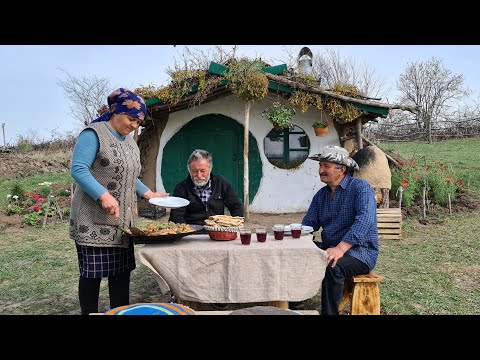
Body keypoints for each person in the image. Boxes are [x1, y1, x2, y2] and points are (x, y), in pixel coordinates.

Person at [69, 88, 168, 315]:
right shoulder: (93, 134)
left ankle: (120, 312)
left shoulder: (130, 142)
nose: (135, 125)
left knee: (121, 275)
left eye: (138, 122)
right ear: (116, 112)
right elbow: (79, 169)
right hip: (92, 221)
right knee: (92, 276)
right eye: (131, 119)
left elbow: (129, 177)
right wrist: (103, 195)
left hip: (121, 223)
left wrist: (147, 193)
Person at [301, 145, 379, 315]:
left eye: (326, 166)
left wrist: (341, 248)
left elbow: (364, 221)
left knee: (332, 264)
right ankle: (294, 300)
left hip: (360, 253)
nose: (321, 170)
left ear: (342, 169)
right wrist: (295, 235)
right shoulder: (321, 195)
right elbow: (309, 223)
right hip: (331, 248)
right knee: (300, 252)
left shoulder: (360, 187)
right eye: (320, 165)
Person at [169, 149, 244, 225]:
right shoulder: (181, 188)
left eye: (202, 171)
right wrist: (186, 231)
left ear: (210, 169)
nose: (199, 175)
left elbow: (236, 206)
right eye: (195, 171)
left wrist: (236, 225)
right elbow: (176, 216)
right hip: (191, 232)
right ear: (189, 170)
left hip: (216, 230)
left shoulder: (221, 183)